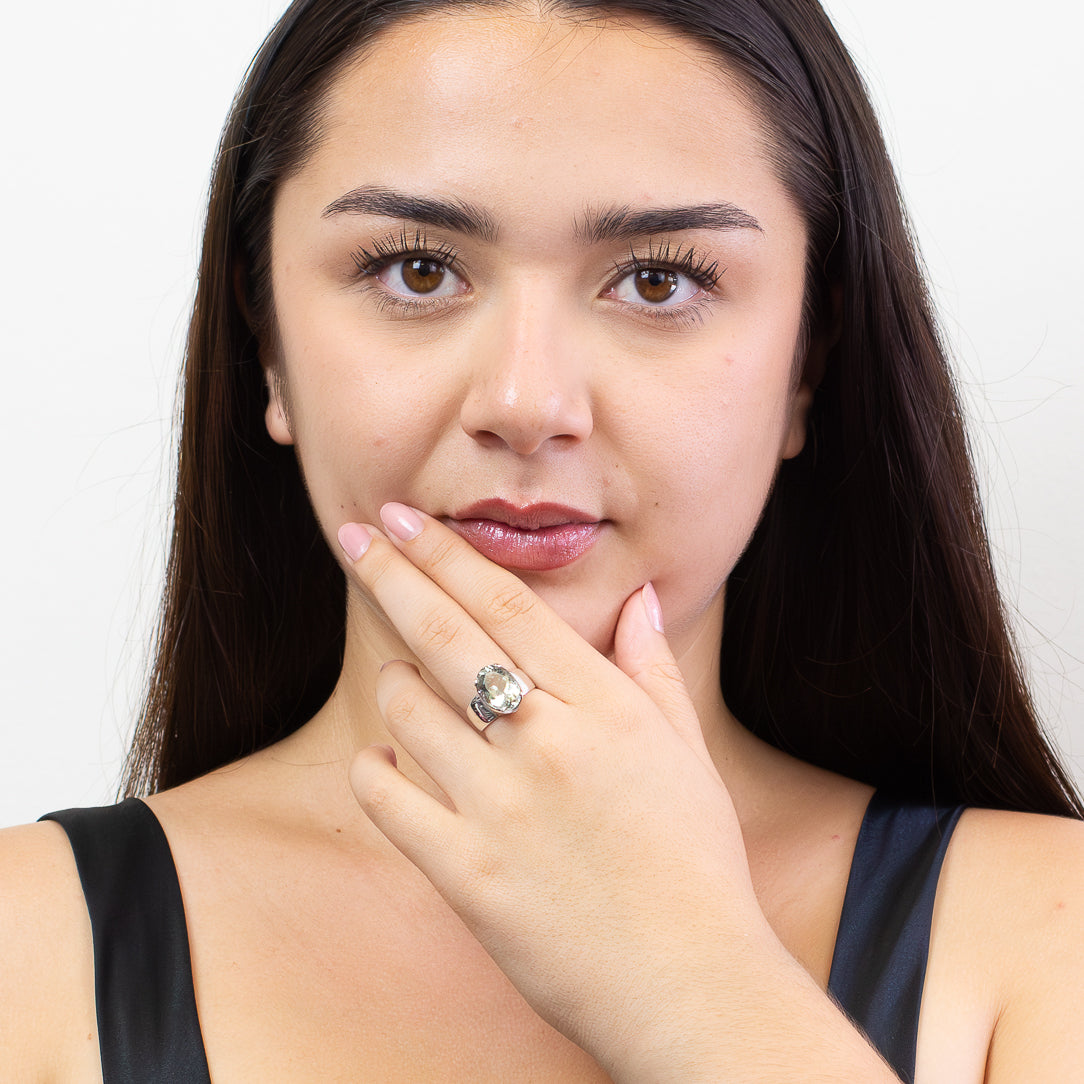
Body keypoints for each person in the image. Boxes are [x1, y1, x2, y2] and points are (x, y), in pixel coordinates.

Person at [2, 0, 1082, 1079]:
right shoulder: (27, 943)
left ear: (807, 361)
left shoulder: (1052, 932)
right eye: (415, 269)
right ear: (267, 346)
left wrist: (692, 978)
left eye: (660, 279)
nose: (525, 401)